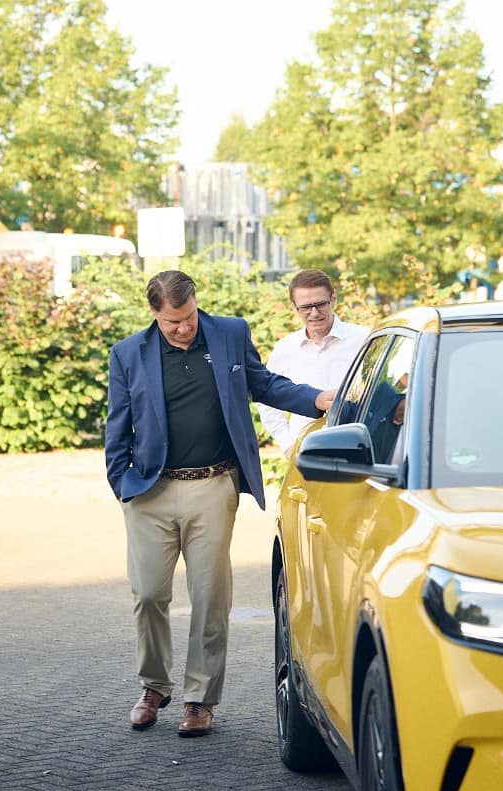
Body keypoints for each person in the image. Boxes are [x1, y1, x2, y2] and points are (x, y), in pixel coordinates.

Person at [105, 269, 334, 737]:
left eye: (188, 317)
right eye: (172, 322)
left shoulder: (229, 333)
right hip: (149, 491)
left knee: (210, 596)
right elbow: (117, 425)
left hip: (212, 485)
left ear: (196, 303)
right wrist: (122, 485)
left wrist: (318, 400)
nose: (182, 328)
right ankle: (154, 686)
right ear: (154, 314)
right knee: (148, 594)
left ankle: (199, 699)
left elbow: (265, 384)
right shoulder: (128, 354)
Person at [257, 269, 369, 457]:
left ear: (333, 299)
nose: (314, 313)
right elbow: (267, 399)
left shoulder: (364, 339)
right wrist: (287, 445)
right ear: (294, 307)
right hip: (305, 454)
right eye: (306, 307)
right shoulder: (285, 348)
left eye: (320, 304)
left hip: (357, 450)